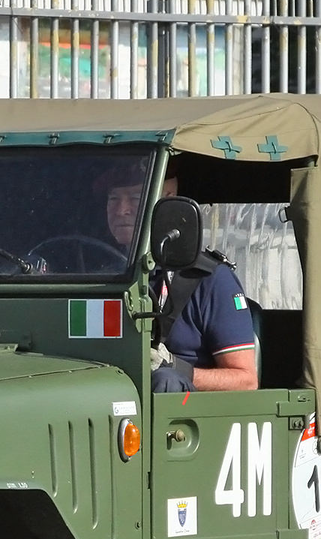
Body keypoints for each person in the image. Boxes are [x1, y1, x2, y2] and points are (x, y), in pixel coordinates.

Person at [100, 164, 257, 393]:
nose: (121, 210)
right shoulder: (98, 275)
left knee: (166, 380)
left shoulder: (209, 279)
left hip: (183, 416)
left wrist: (177, 367)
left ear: (168, 203)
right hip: (109, 396)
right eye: (113, 199)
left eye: (135, 198)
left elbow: (246, 380)